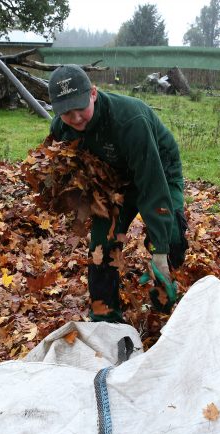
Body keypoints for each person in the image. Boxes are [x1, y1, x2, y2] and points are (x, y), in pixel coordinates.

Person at [47, 64, 188, 323]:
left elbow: (152, 187)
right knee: (101, 245)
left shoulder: (130, 121)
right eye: (66, 112)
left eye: (80, 108)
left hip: (158, 169)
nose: (76, 118)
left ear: (93, 93)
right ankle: (105, 317)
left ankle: (163, 304)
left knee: (171, 238)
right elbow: (58, 163)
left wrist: (159, 250)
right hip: (114, 181)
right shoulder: (61, 127)